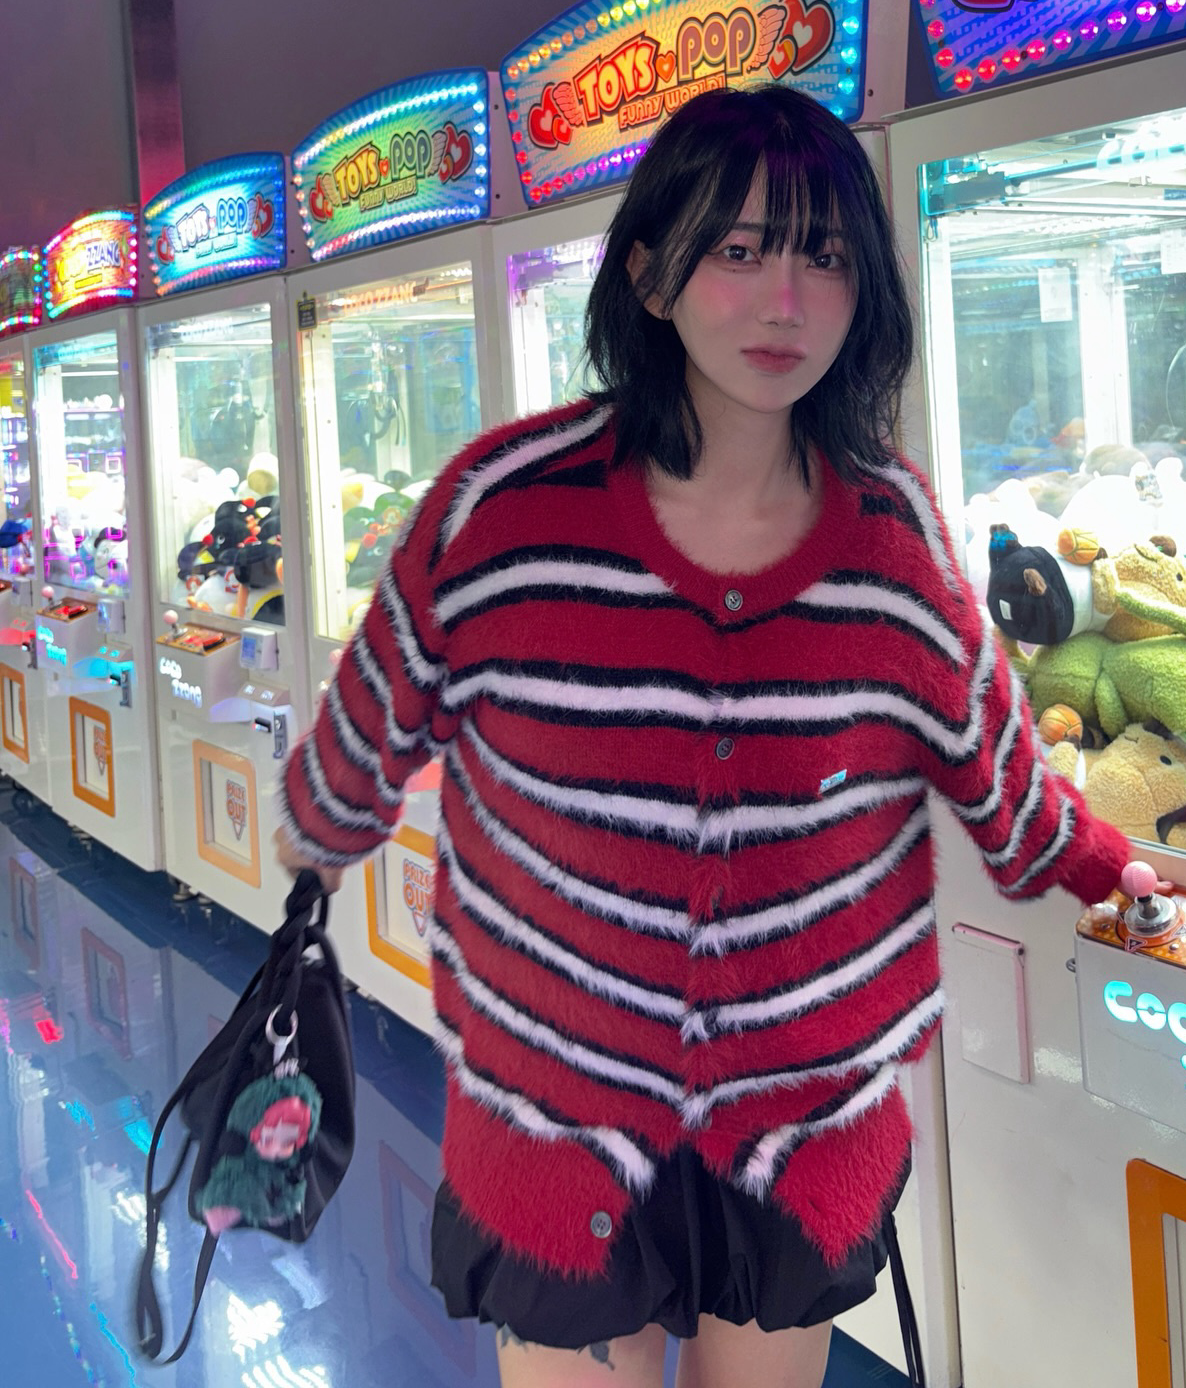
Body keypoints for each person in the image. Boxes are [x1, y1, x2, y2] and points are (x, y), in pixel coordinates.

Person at [275, 86, 1132, 1388]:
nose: (786, 301)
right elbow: (373, 712)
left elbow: (992, 760)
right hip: (553, 1111)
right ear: (648, 274)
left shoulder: (890, 529)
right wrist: (320, 829)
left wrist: (1104, 868)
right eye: (738, 249)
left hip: (804, 1125)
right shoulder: (503, 509)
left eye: (824, 256)